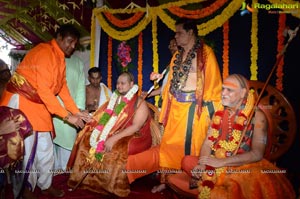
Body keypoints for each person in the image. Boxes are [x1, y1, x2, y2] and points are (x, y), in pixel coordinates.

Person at [126, 18, 222, 193]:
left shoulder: (206, 54)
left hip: (193, 111)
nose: (175, 36)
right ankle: (167, 180)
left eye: (179, 33)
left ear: (191, 32)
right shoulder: (177, 56)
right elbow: (170, 84)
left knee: (191, 147)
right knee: (169, 147)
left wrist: (209, 114)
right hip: (175, 108)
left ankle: (190, 182)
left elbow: (214, 86)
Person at [167, 74, 296, 199]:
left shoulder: (257, 116)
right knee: (187, 161)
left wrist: (222, 163)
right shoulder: (219, 113)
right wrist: (202, 163)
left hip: (243, 165)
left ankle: (211, 184)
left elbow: (257, 154)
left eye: (230, 90)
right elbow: (207, 143)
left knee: (236, 182)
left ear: (242, 93)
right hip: (216, 158)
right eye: (223, 89)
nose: (223, 93)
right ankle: (207, 178)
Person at [0, 24, 91, 199]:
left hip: (38, 104)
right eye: (69, 42)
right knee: (28, 149)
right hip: (22, 104)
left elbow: (62, 88)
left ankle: (46, 184)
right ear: (59, 37)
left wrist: (76, 112)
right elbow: (44, 91)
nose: (72, 46)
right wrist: (67, 116)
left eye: (75, 44)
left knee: (46, 147)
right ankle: (27, 188)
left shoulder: (60, 58)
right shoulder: (44, 53)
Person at [67, 72, 159, 197]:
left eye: (123, 83)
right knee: (86, 138)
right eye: (118, 83)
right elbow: (103, 117)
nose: (119, 86)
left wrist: (113, 138)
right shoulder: (114, 99)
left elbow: (136, 126)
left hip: (137, 136)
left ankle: (112, 186)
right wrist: (94, 126)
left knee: (116, 148)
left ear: (131, 85)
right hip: (116, 131)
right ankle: (85, 180)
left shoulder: (139, 103)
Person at [0, 59, 32, 198]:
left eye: (8, 70)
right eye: (3, 71)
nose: (7, 73)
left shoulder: (13, 85)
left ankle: (12, 183)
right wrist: (2, 129)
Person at [53, 53, 86, 171]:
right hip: (51, 108)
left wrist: (78, 109)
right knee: (49, 145)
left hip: (71, 111)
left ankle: (64, 172)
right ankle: (51, 175)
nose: (71, 46)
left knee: (67, 142)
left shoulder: (78, 62)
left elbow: (81, 88)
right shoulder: (52, 58)